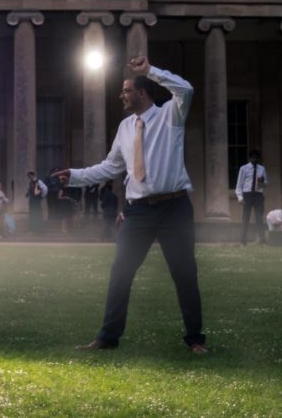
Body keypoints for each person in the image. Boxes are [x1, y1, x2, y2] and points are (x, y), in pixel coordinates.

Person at [55, 56, 207, 354]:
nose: (120, 95)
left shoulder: (170, 116)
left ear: (142, 92)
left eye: (126, 90)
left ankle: (195, 339)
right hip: (138, 211)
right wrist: (73, 176)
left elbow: (186, 90)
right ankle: (107, 337)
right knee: (120, 273)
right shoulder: (125, 127)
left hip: (173, 208)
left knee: (184, 275)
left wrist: (150, 71)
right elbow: (110, 168)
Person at [236, 149, 268, 245]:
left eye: (256, 158)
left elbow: (265, 182)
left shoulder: (262, 169)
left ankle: (262, 240)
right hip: (247, 194)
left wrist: (262, 183)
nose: (254, 159)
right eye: (252, 157)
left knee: (259, 218)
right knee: (245, 218)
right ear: (250, 158)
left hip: (258, 194)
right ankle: (243, 241)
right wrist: (240, 197)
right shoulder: (244, 168)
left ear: (258, 158)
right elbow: (239, 184)